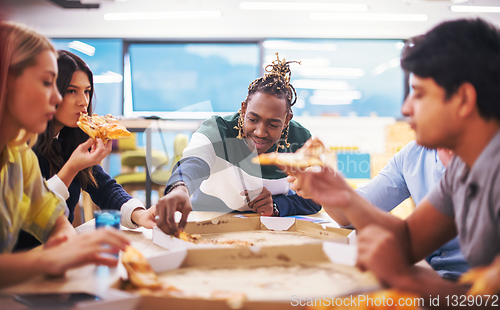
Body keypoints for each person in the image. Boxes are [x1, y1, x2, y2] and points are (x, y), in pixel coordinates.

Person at [288, 18, 500, 304]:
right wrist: (342, 195)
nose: (406, 108)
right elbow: (410, 239)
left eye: (420, 93)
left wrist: (410, 278)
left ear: (463, 99)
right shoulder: (463, 168)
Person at [0, 21, 129, 288]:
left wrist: (63, 238)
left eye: (87, 92)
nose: (55, 98)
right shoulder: (29, 148)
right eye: (48, 84)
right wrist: (53, 258)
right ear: (6, 82)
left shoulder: (18, 152)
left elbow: (48, 213)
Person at [155, 54, 321, 234]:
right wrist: (179, 188)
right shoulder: (218, 129)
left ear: (287, 119)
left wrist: (277, 205)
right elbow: (194, 162)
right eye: (253, 119)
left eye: (273, 124)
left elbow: (316, 198)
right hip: (208, 223)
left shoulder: (300, 139)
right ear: (243, 109)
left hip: (265, 230)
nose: (260, 132)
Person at [14, 50, 156, 251]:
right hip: (23, 261)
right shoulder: (21, 145)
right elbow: (28, 220)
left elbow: (103, 186)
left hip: (59, 253)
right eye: (72, 91)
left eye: (87, 91)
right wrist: (72, 168)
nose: (83, 102)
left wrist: (140, 214)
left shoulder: (69, 139)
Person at [327, 141, 469, 280]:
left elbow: (408, 239)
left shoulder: (485, 161)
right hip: (432, 279)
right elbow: (407, 235)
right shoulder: (413, 154)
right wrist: (328, 191)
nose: (406, 115)